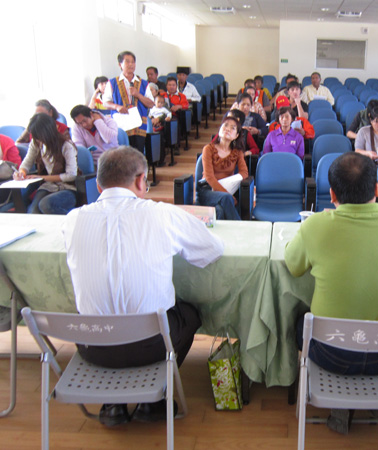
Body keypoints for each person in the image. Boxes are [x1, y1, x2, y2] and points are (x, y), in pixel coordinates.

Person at [63, 146, 224, 426]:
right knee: (189, 314)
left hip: (92, 345)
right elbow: (212, 251)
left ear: (99, 186)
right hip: (150, 344)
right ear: (141, 181)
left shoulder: (73, 219)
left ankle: (113, 404)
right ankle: (154, 399)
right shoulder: (161, 214)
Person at [285, 151, 378, 434]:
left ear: (332, 195)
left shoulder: (315, 226)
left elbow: (293, 266)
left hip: (332, 354)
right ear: (377, 190)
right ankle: (372, 398)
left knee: (299, 322)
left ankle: (341, 403)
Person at [13, 113, 78, 214]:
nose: (38, 140)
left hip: (68, 188)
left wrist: (41, 177)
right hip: (48, 186)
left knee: (46, 204)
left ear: (48, 133)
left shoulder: (66, 145)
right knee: (33, 212)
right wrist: (22, 172)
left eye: (40, 137)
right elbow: (27, 163)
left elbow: (71, 175)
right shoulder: (36, 143)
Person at [103, 51, 155, 153]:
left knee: (138, 154)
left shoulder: (143, 83)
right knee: (122, 155)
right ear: (120, 64)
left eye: (133, 62)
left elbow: (151, 104)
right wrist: (117, 107)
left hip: (138, 125)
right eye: (127, 61)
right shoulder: (112, 82)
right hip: (121, 124)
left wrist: (138, 94)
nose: (131, 64)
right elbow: (105, 103)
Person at [198, 116, 249, 220]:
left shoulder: (237, 152)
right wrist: (226, 194)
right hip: (207, 190)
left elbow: (244, 173)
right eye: (225, 125)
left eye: (232, 128)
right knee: (226, 199)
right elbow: (209, 177)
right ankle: (241, 228)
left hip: (227, 190)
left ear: (236, 135)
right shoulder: (208, 149)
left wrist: (230, 183)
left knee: (219, 210)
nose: (228, 129)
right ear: (220, 129)